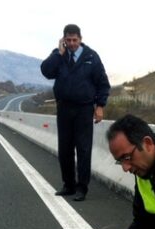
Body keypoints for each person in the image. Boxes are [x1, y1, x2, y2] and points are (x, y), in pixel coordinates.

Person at [41, 24, 110, 201]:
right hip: (64, 108)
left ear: (80, 39)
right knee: (65, 149)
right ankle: (68, 185)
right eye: (68, 40)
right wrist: (59, 53)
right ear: (63, 40)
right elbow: (46, 72)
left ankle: (82, 188)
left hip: (84, 109)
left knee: (83, 149)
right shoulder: (59, 55)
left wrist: (100, 106)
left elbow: (103, 83)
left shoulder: (91, 57)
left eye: (74, 40)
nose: (71, 43)